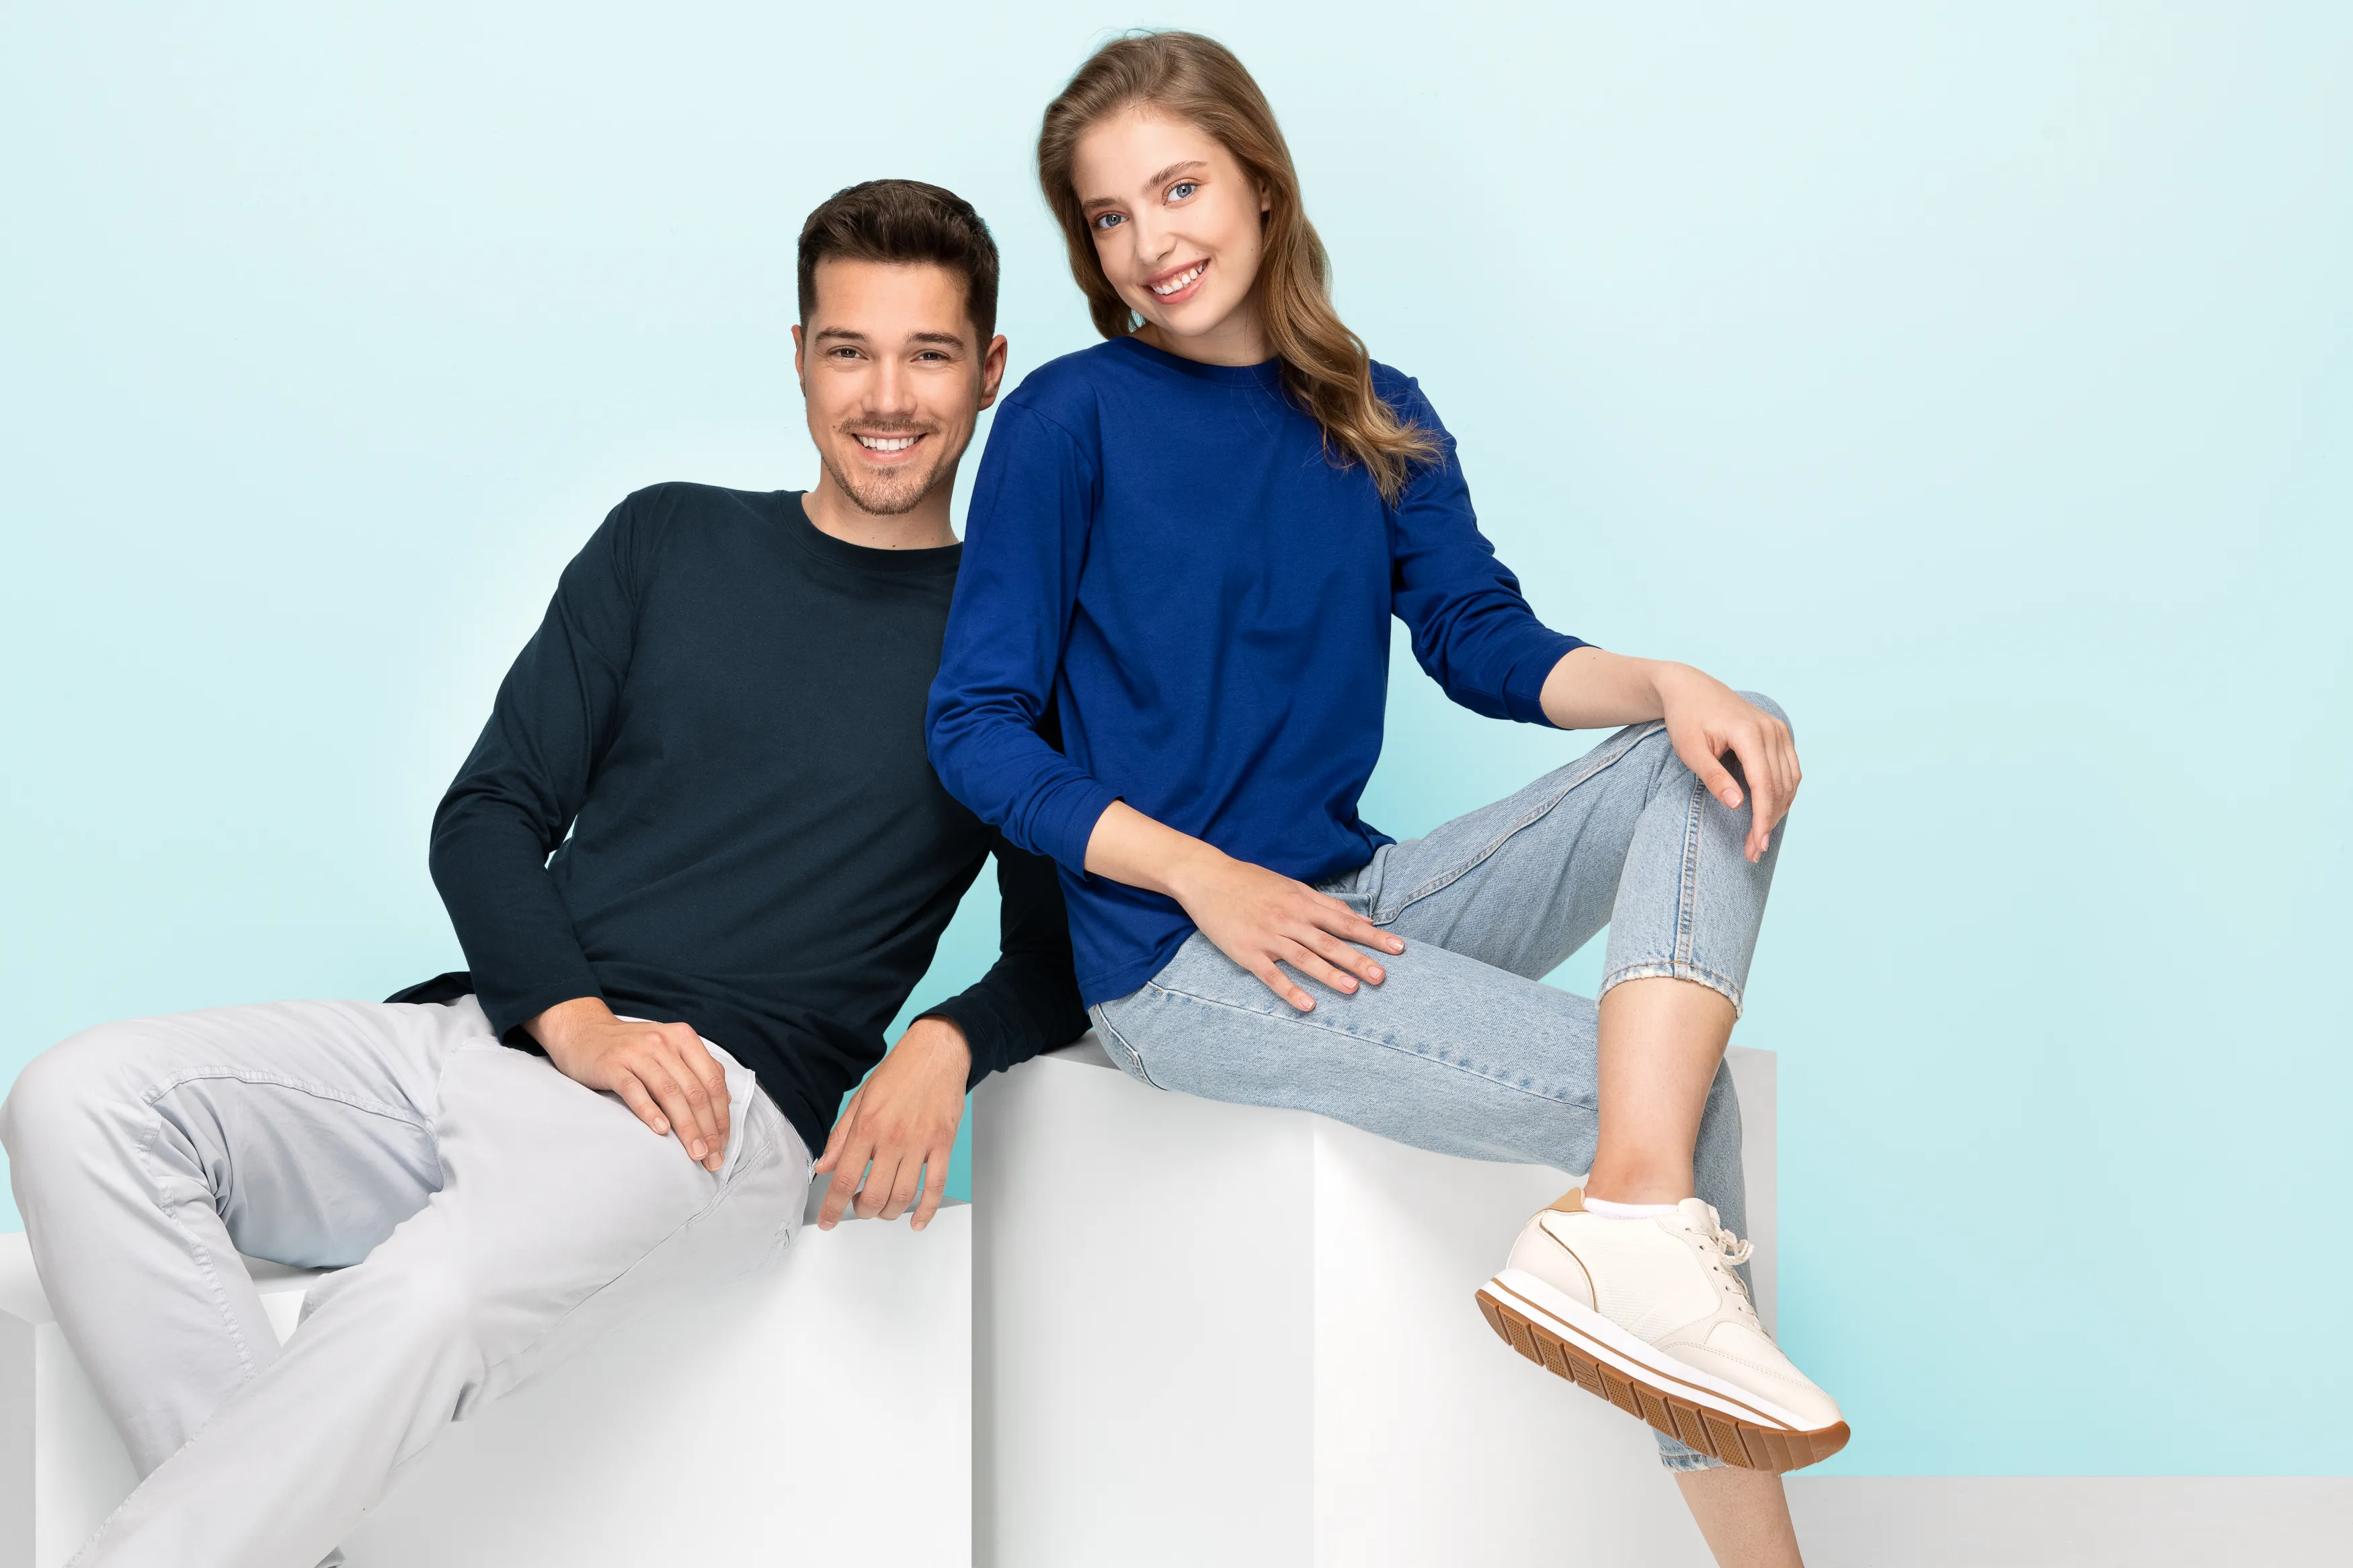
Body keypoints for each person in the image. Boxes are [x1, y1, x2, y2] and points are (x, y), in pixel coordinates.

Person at [0, 179, 1084, 1568]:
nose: (886, 397)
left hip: (704, 1108)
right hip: (503, 1030)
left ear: (988, 369)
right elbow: (490, 809)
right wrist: (574, 1021)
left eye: (927, 354)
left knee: (425, 1296)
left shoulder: (1016, 652)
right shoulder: (667, 537)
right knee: (78, 1099)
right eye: (848, 350)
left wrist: (946, 1039)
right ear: (800, 356)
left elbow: (1057, 955)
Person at [926, 32, 1839, 1568]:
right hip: (1180, 960)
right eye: (1107, 215)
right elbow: (973, 727)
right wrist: (1196, 874)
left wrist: (1668, 680)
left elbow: (1483, 642)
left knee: (1726, 734)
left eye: (1178, 188)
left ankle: (1623, 1214)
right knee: (1681, 1098)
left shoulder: (1368, 405)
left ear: (1259, 184)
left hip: (1355, 902)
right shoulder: (1069, 417)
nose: (1150, 242)